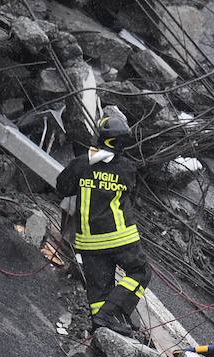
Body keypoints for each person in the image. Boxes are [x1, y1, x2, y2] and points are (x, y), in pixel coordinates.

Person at [56, 113, 150, 336]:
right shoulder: (126, 169)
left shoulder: (81, 164)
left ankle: (102, 329)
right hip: (120, 238)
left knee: (98, 294)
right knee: (140, 273)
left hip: (88, 242)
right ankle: (112, 314)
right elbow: (130, 192)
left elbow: (63, 187)